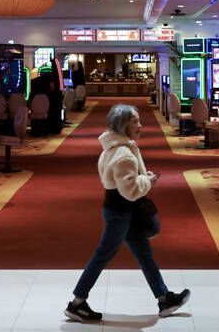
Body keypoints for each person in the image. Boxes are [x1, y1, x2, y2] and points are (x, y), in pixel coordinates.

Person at [65, 104, 190, 323]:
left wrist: (141, 178)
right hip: (120, 212)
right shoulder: (123, 154)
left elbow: (124, 182)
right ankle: (77, 303)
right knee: (103, 255)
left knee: (144, 254)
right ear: (123, 125)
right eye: (135, 121)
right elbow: (130, 191)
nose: (140, 125)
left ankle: (163, 298)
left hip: (122, 210)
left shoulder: (116, 148)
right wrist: (148, 181)